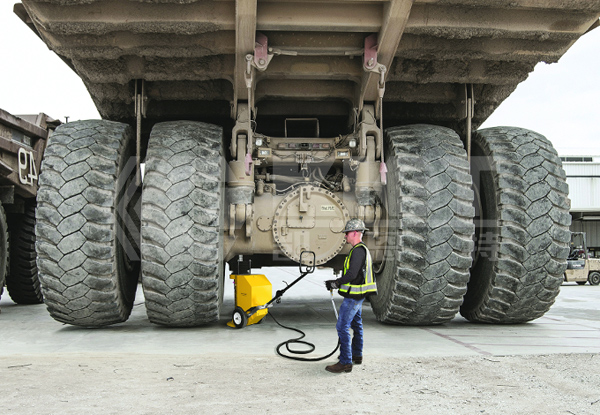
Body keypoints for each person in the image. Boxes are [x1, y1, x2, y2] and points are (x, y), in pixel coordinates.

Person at [324, 218, 377, 373]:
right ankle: (356, 355)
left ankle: (345, 362)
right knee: (356, 325)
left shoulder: (358, 251)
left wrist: (335, 283)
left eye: (347, 233)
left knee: (342, 327)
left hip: (354, 297)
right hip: (359, 295)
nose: (345, 236)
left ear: (354, 233)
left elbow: (352, 274)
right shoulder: (362, 250)